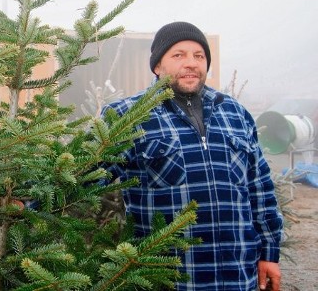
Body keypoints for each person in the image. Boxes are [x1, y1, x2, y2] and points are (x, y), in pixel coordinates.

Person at [100, 21, 283, 291]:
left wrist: (269, 252)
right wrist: (25, 202)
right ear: (157, 66)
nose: (191, 63)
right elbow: (84, 176)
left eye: (199, 56)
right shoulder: (129, 115)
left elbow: (260, 187)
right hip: (170, 278)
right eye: (178, 55)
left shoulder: (234, 113)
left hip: (237, 274)